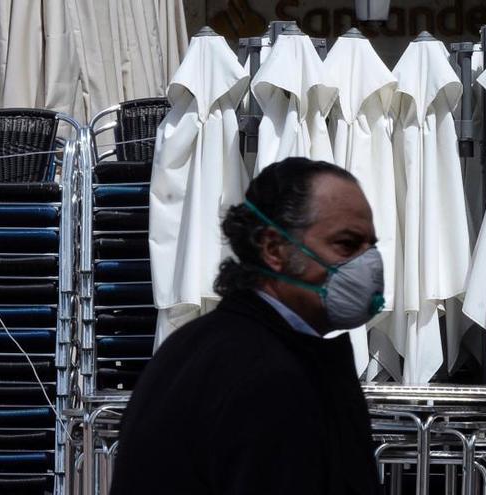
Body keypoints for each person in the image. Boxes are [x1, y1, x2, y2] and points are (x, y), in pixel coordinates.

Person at [110, 158, 383, 495]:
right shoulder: (269, 374)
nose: (369, 265)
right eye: (346, 244)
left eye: (372, 246)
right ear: (273, 248)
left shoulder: (194, 344)